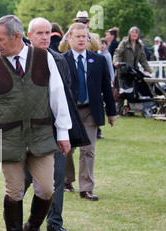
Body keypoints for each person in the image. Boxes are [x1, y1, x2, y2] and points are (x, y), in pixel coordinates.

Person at [0, 15, 71, 231]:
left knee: (47, 189)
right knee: (14, 191)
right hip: (8, 137)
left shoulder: (43, 58)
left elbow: (57, 95)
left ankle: (34, 227)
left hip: (41, 135)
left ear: (16, 37)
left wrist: (63, 132)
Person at [25, 17, 90, 231]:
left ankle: (54, 222)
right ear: (29, 35)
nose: (44, 37)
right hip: (28, 132)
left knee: (57, 177)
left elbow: (66, 97)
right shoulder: (19, 61)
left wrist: (66, 130)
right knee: (22, 180)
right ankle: (19, 224)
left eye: (48, 34)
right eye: (39, 33)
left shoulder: (59, 60)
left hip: (55, 130)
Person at [63, 22, 117, 201]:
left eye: (84, 36)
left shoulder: (98, 60)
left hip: (90, 111)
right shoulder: (62, 60)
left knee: (88, 149)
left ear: (88, 38)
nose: (81, 39)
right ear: (69, 38)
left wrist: (111, 112)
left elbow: (106, 89)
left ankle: (86, 188)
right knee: (67, 148)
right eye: (77, 36)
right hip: (69, 111)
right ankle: (66, 180)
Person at [113, 26, 152, 115]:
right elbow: (117, 53)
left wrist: (148, 70)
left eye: (136, 32)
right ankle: (118, 112)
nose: (134, 34)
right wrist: (116, 62)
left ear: (138, 35)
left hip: (133, 72)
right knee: (122, 92)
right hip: (123, 71)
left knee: (133, 91)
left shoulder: (140, 46)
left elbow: (143, 59)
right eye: (132, 32)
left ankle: (131, 110)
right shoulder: (124, 43)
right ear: (129, 34)